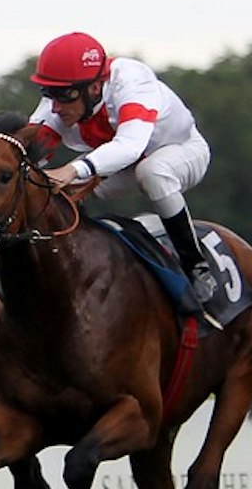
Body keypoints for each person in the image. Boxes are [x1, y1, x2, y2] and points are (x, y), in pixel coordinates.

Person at [26, 31, 218, 301]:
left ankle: (196, 266)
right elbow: (33, 151)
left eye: (64, 96)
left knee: (151, 172)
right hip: (121, 162)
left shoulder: (132, 82)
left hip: (181, 151)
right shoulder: (65, 95)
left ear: (93, 88)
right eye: (49, 94)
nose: (56, 107)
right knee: (59, 193)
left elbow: (130, 146)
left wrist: (72, 170)